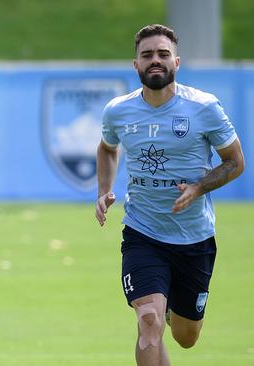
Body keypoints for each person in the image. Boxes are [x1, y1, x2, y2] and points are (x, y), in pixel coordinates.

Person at [96, 24, 245, 365]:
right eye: (147, 55)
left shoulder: (204, 107)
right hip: (142, 232)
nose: (155, 61)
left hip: (194, 238)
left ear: (176, 61)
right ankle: (155, 303)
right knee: (148, 320)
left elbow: (235, 162)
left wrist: (198, 187)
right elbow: (106, 149)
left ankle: (168, 306)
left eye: (163, 54)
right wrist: (104, 190)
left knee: (185, 337)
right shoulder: (118, 111)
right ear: (135, 64)